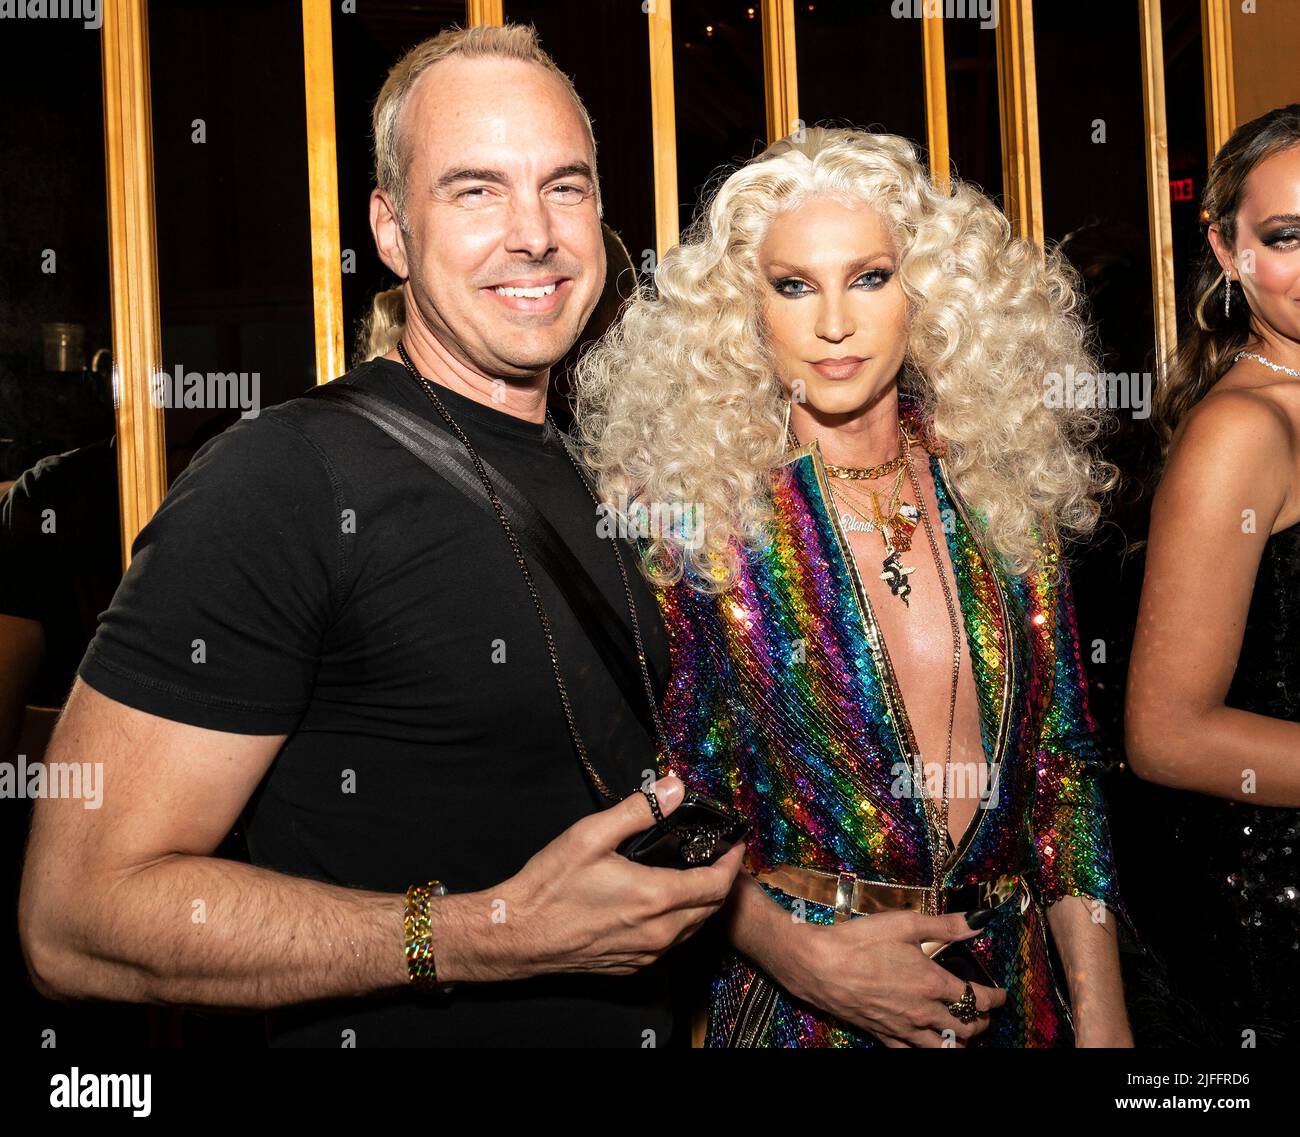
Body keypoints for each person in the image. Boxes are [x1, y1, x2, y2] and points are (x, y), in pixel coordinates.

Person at [18, 24, 742, 1048]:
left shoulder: (600, 471)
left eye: (565, 186)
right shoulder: (281, 479)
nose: (533, 233)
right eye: (475, 189)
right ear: (393, 232)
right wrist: (479, 935)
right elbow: (74, 920)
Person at [575, 126, 1133, 1047]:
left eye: (868, 277)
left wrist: (1104, 1013)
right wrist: (791, 950)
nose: (834, 322)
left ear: (928, 292)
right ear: (744, 310)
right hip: (803, 1006)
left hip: (1015, 996)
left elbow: (1060, 770)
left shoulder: (999, 491)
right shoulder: (693, 519)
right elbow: (660, 800)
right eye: (794, 285)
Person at [1126, 104, 1300, 1047]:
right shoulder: (1243, 432)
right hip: (1270, 925)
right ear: (1229, 252)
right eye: (1287, 236)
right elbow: (1165, 734)